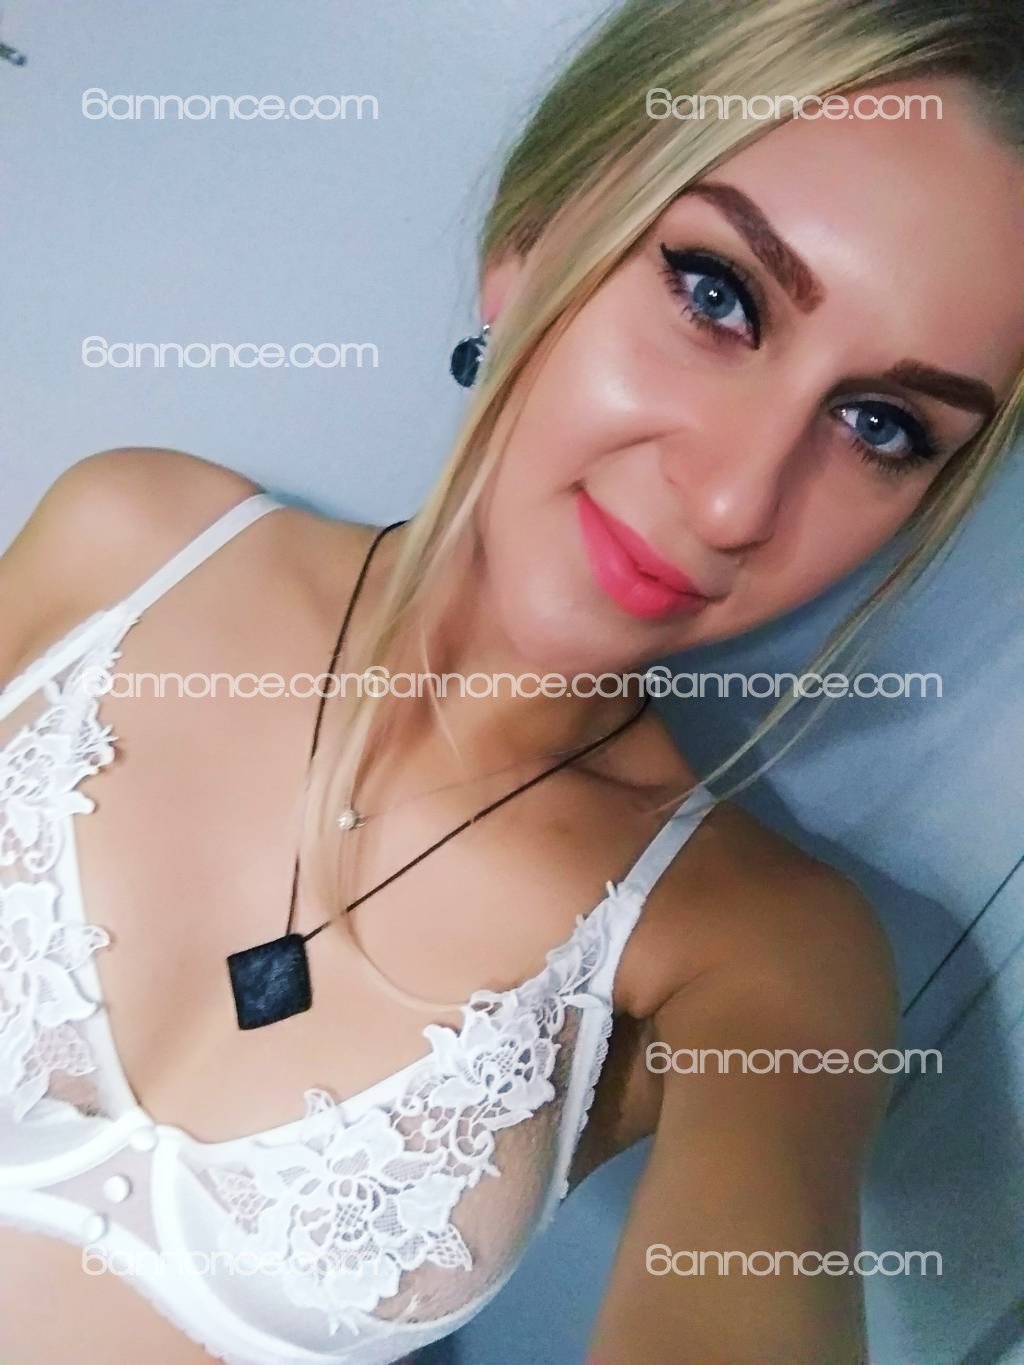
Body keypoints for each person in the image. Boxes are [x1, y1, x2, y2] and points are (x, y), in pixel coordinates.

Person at [1, 1, 1022, 1361]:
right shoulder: (130, 541)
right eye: (718, 295)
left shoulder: (756, 949)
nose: (732, 499)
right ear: (529, 240)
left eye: (881, 425)